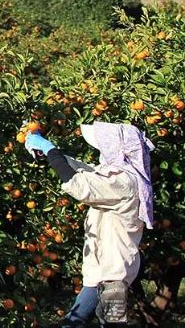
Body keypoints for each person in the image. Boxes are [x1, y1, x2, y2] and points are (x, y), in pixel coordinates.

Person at [24, 122, 155, 327]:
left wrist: (51, 150)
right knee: (74, 321)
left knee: (111, 324)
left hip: (114, 275)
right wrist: (50, 156)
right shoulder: (122, 174)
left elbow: (80, 185)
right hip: (101, 270)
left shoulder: (124, 182)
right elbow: (87, 171)